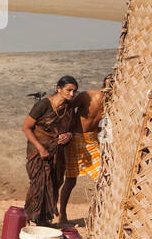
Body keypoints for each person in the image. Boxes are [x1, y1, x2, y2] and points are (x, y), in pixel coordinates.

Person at [22, 77, 79, 226]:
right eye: (69, 90)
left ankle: (45, 220)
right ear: (58, 88)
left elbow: (72, 127)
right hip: (38, 149)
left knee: (54, 183)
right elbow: (26, 127)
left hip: (57, 152)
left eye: (74, 91)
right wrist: (40, 148)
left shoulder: (69, 108)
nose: (72, 94)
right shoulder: (43, 105)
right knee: (38, 184)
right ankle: (32, 217)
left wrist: (69, 135)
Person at [60, 87, 108, 223]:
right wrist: (67, 131)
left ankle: (98, 214)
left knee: (102, 176)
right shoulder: (89, 96)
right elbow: (68, 109)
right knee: (71, 179)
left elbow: (103, 125)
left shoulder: (113, 103)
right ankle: (62, 214)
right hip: (75, 137)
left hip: (92, 139)